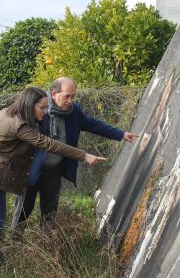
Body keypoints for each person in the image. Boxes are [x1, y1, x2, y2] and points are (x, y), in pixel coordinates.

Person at [0, 87, 106, 252]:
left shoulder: (4, 112)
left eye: (47, 107)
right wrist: (83, 155)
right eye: (42, 107)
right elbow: (49, 144)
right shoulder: (20, 127)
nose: (46, 111)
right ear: (29, 105)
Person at [13, 77, 139, 230]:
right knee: (22, 210)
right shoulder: (37, 108)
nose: (70, 100)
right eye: (67, 96)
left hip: (53, 171)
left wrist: (120, 134)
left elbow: (93, 124)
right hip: (30, 170)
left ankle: (46, 245)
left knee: (49, 214)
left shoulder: (74, 112)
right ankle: (14, 245)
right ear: (54, 93)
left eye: (73, 96)